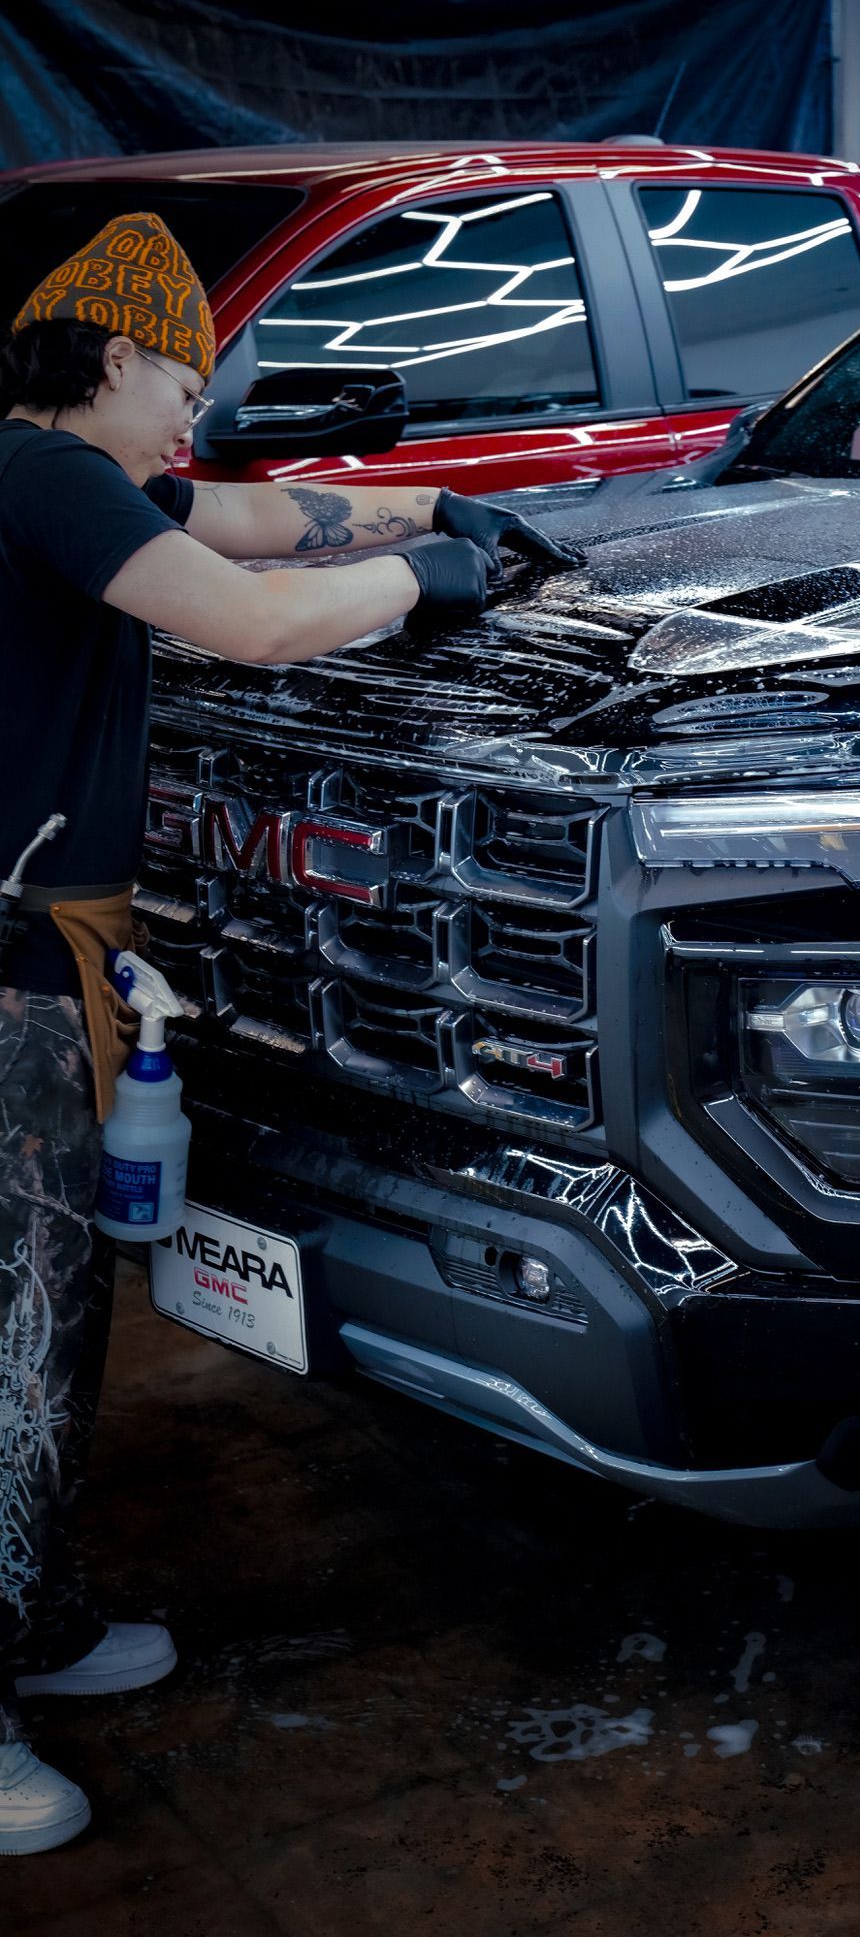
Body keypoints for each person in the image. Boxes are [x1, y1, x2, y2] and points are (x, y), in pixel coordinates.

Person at [0, 211, 575, 1853]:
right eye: (185, 376)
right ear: (109, 356)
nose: (199, 411)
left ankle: (29, 1615)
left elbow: (253, 514)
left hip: (57, 954)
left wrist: (430, 500)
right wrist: (427, 577)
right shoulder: (42, 477)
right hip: (8, 966)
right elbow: (248, 616)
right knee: (4, 1331)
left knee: (53, 1320)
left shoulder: (81, 477)